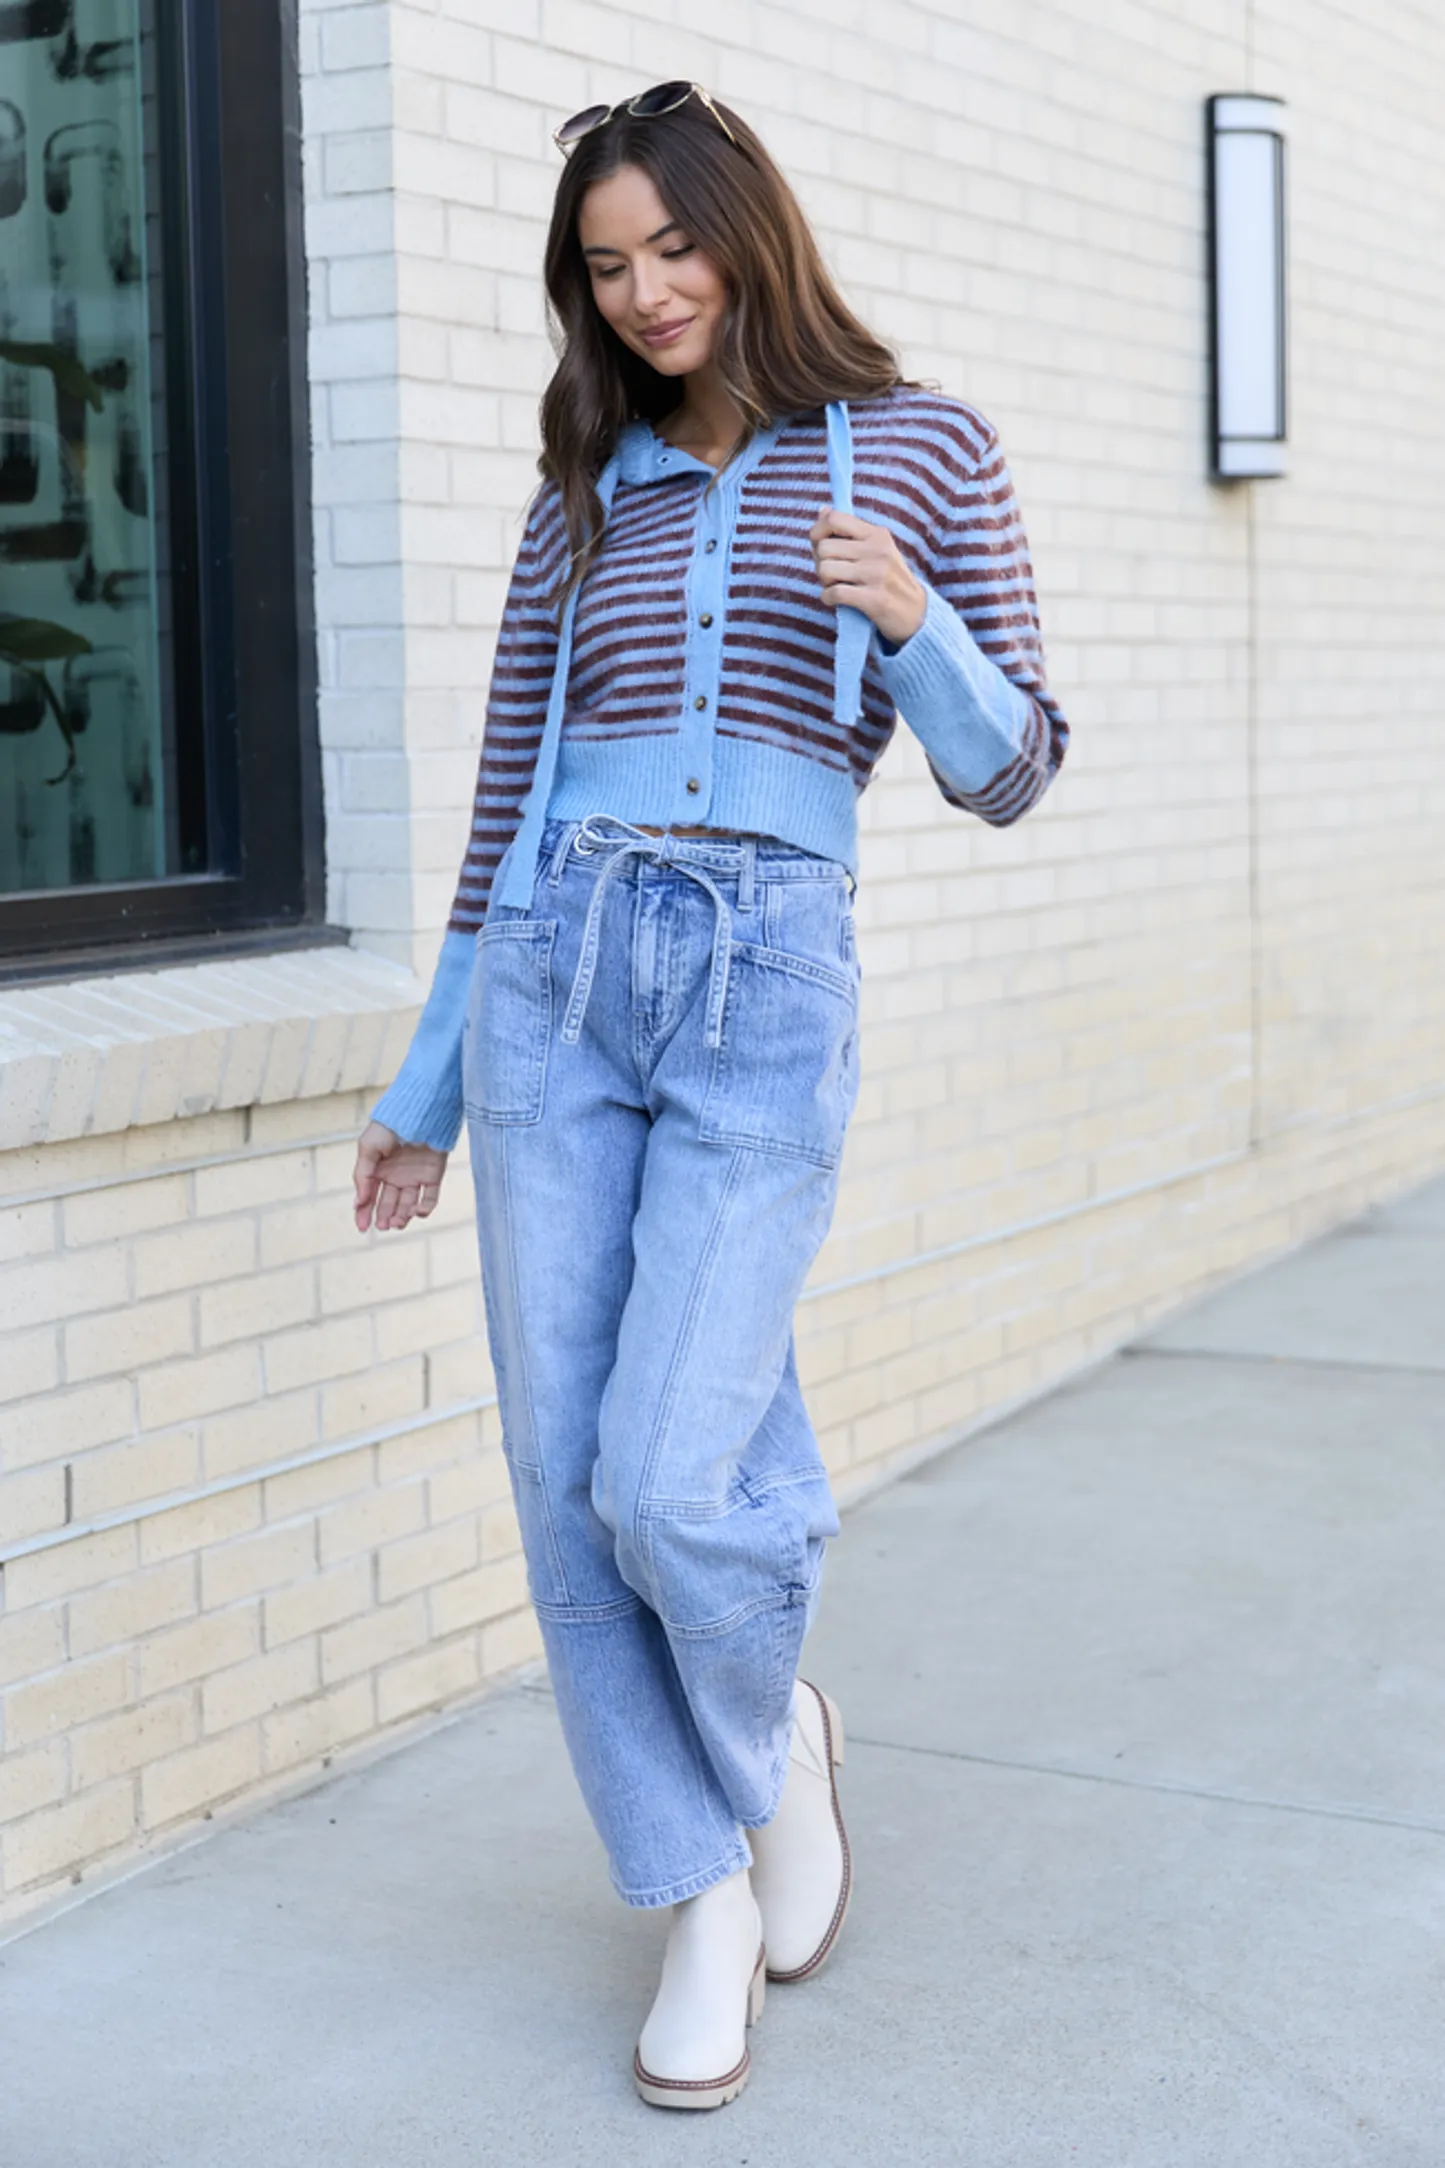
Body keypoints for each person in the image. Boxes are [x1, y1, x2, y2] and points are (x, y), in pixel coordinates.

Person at [351, 81, 1068, 2110]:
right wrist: (427, 1084)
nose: (647, 293)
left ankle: (773, 1746)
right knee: (559, 1468)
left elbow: (1013, 769)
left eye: (673, 246)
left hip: (765, 976)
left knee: (670, 1473)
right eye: (606, 266)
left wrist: (909, 620)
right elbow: (505, 797)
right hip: (555, 974)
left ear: (750, 231)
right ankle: (692, 1888)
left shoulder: (925, 447)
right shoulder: (585, 481)